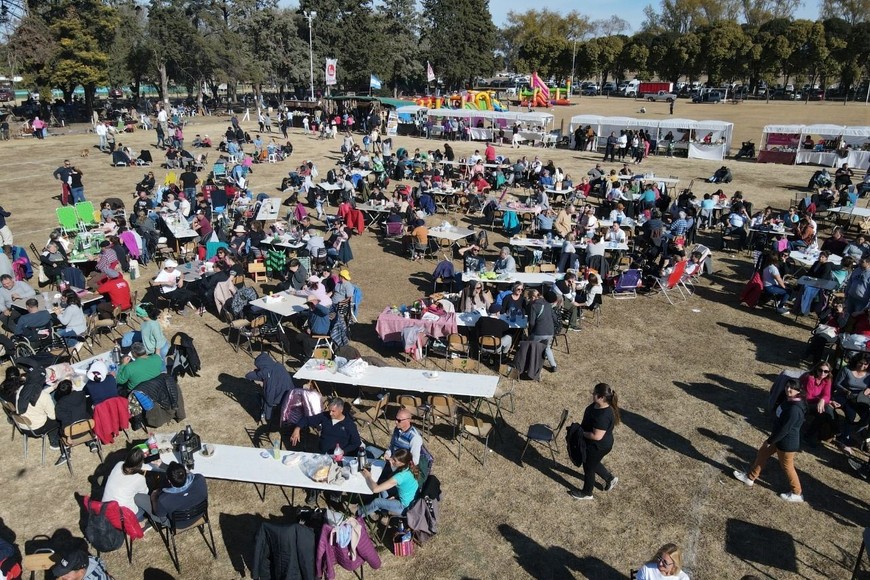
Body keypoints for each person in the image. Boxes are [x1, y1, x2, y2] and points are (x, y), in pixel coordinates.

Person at [733, 379, 806, 502]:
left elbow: (785, 429)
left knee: (787, 466)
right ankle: (750, 478)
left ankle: (797, 493)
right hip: (779, 439)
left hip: (786, 443)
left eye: (792, 388)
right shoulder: (790, 400)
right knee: (762, 453)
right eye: (787, 386)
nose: (788, 389)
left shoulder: (795, 409)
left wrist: (770, 441)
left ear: (798, 391)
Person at [290, 398, 361, 503]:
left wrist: (343, 451)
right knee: (315, 471)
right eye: (330, 410)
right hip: (323, 454)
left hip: (338, 457)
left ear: (341, 410)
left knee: (336, 475)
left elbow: (356, 443)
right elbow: (307, 419)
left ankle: (335, 494)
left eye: (333, 411)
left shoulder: (349, 425)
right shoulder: (325, 416)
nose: (330, 413)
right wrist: (297, 428)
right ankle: (314, 491)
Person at [570, 382, 620, 500]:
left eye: (594, 393)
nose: (592, 395)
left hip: (598, 446)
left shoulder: (603, 416)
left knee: (589, 467)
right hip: (596, 444)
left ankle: (587, 493)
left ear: (602, 397)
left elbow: (596, 436)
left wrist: (581, 433)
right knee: (593, 462)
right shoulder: (597, 405)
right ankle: (610, 479)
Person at [136, 461, 207, 527]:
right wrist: (162, 465)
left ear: (169, 481)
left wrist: (153, 497)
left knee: (137, 497)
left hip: (178, 525)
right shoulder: (200, 479)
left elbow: (159, 514)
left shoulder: (163, 499)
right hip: (199, 514)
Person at [102, 447, 160, 524]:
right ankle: (144, 519)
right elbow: (144, 493)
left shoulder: (118, 464)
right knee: (143, 499)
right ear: (141, 464)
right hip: (125, 516)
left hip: (105, 509)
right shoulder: (139, 478)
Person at [357, 448, 420, 518]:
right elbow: (407, 488)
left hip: (405, 507)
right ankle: (383, 511)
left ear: (402, 463)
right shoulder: (408, 467)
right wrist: (396, 496)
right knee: (382, 483)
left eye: (394, 460)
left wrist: (368, 477)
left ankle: (359, 512)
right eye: (392, 457)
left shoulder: (400, 476)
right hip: (410, 499)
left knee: (377, 502)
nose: (391, 460)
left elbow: (375, 489)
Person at [831, 353, 870, 454]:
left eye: (865, 364)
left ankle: (856, 431)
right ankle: (844, 438)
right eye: (860, 363)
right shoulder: (846, 370)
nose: (862, 366)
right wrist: (846, 391)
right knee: (851, 414)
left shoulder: (869, 374)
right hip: (844, 396)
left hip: (860, 398)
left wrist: (868, 389)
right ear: (856, 361)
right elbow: (837, 383)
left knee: (867, 415)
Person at [246, 352, 292, 425]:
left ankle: (266, 417)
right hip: (290, 393)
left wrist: (255, 371)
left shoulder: (266, 374)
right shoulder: (279, 366)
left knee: (261, 397)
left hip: (279, 398)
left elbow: (269, 395)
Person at [528, 289, 557, 372]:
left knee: (532, 347)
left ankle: (532, 365)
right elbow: (554, 318)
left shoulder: (534, 306)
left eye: (530, 298)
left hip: (539, 331)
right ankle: (553, 365)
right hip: (550, 331)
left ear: (533, 297)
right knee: (547, 348)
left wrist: (530, 331)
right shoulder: (548, 304)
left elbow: (532, 322)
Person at [140, 304, 169, 368]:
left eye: (139, 314)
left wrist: (157, 354)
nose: (138, 315)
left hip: (159, 349)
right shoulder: (144, 322)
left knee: (161, 366)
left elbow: (158, 339)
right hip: (152, 350)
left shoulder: (153, 324)